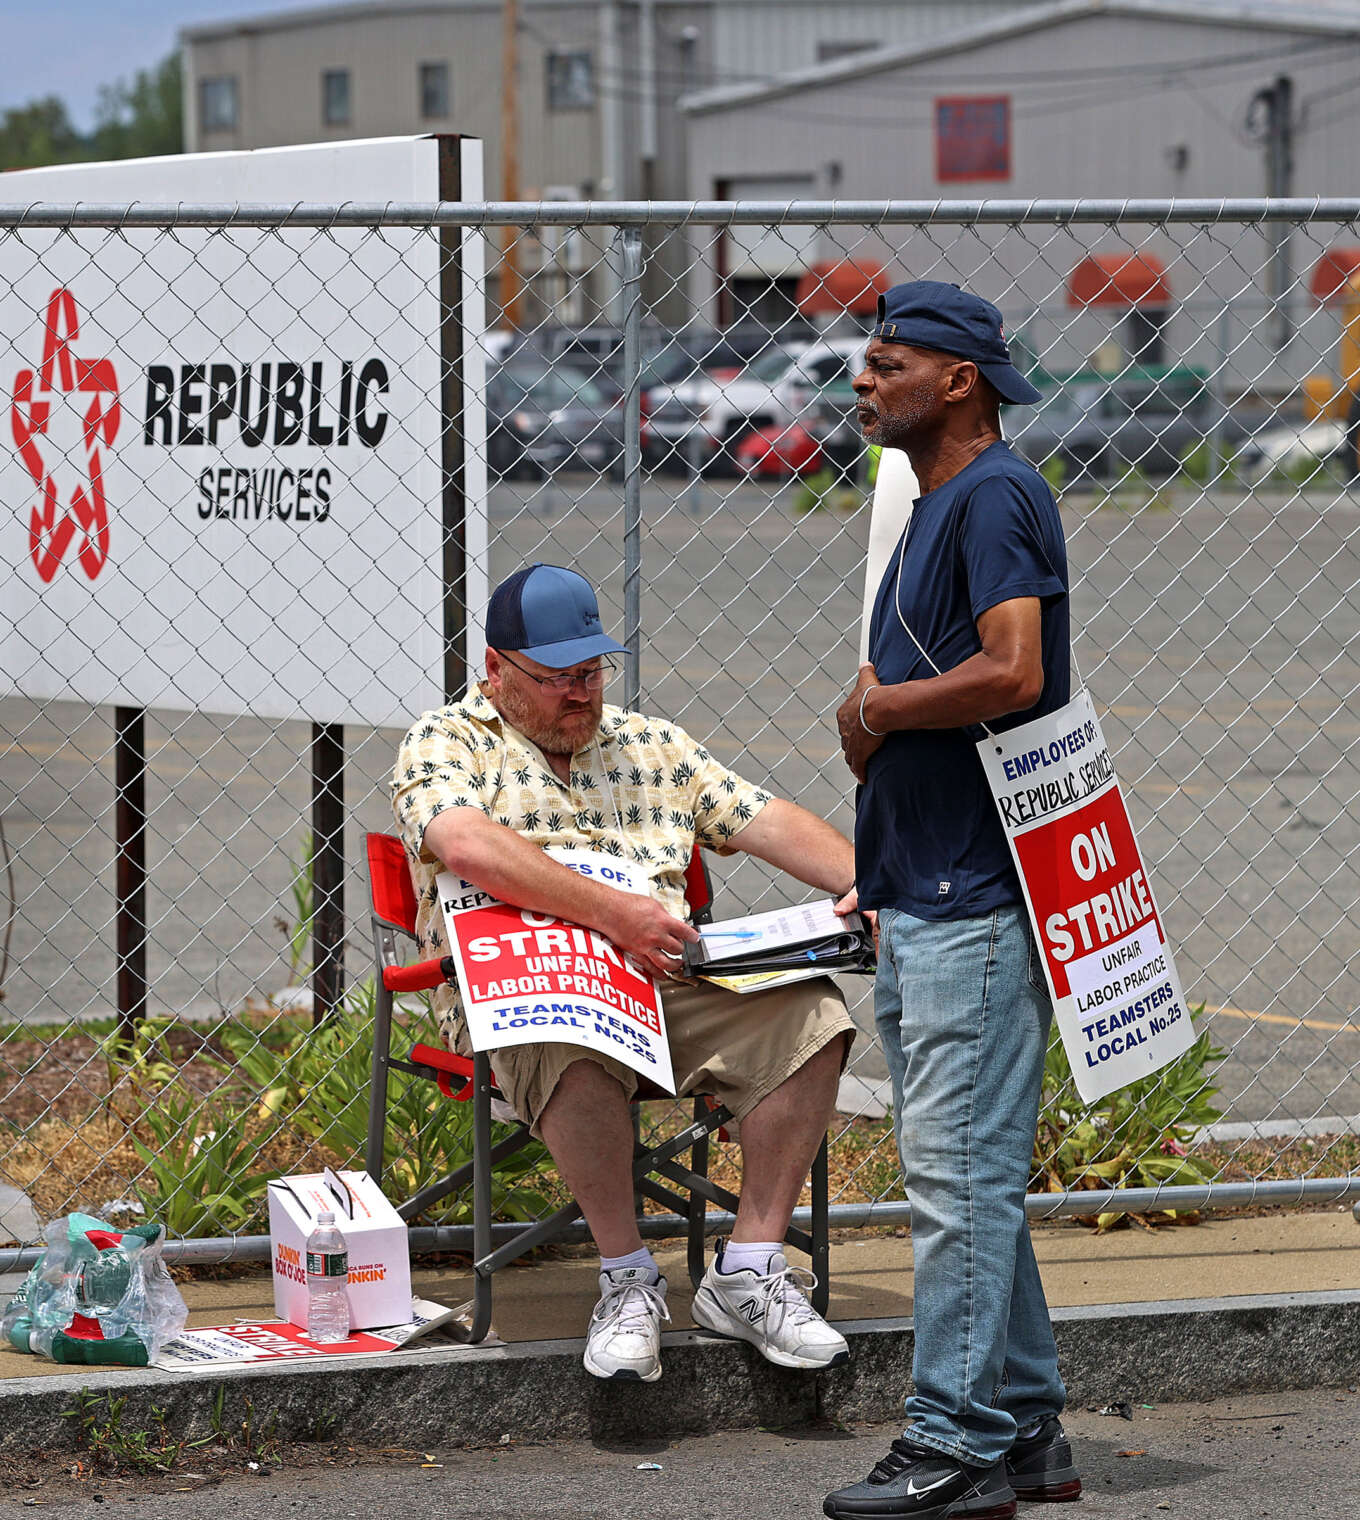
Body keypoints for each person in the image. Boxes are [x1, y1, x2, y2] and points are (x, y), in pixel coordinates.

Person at [392, 561, 860, 1383]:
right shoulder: (447, 741)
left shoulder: (650, 745)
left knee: (812, 1013)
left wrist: (868, 885)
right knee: (560, 1029)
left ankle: (749, 1272)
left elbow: (760, 817)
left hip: (666, 989)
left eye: (592, 671)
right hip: (529, 996)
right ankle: (627, 1279)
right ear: (496, 670)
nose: (581, 693)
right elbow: (463, 842)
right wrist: (615, 918)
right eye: (557, 678)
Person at [824, 282, 1081, 1520]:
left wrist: (873, 711)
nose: (861, 383)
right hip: (927, 887)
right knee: (969, 1173)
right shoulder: (932, 503)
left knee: (956, 1183)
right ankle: (1025, 1428)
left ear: (957, 379)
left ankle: (955, 1442)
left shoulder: (989, 495)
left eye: (883, 364)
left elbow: (1013, 668)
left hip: (972, 898)